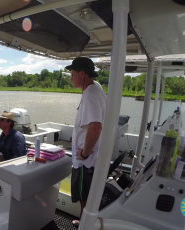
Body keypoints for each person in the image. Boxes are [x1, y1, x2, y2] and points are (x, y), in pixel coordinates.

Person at [66, 57, 106, 227]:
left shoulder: (90, 93)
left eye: (72, 74)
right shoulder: (96, 88)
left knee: (84, 198)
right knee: (88, 196)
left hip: (86, 162)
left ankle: (84, 225)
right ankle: (85, 223)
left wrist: (84, 153)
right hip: (91, 160)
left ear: (82, 74)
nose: (70, 77)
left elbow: (95, 127)